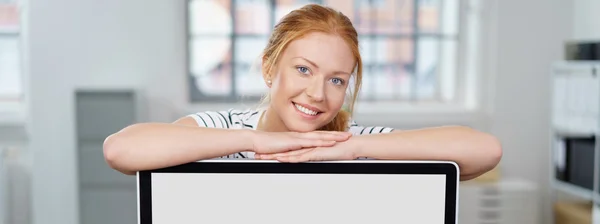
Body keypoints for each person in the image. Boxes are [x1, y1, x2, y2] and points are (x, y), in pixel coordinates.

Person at [103, 4, 502, 180]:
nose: (317, 93)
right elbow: (121, 150)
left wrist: (351, 149)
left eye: (336, 79)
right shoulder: (224, 129)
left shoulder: (352, 143)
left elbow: (484, 151)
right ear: (268, 67)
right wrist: (256, 140)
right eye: (303, 70)